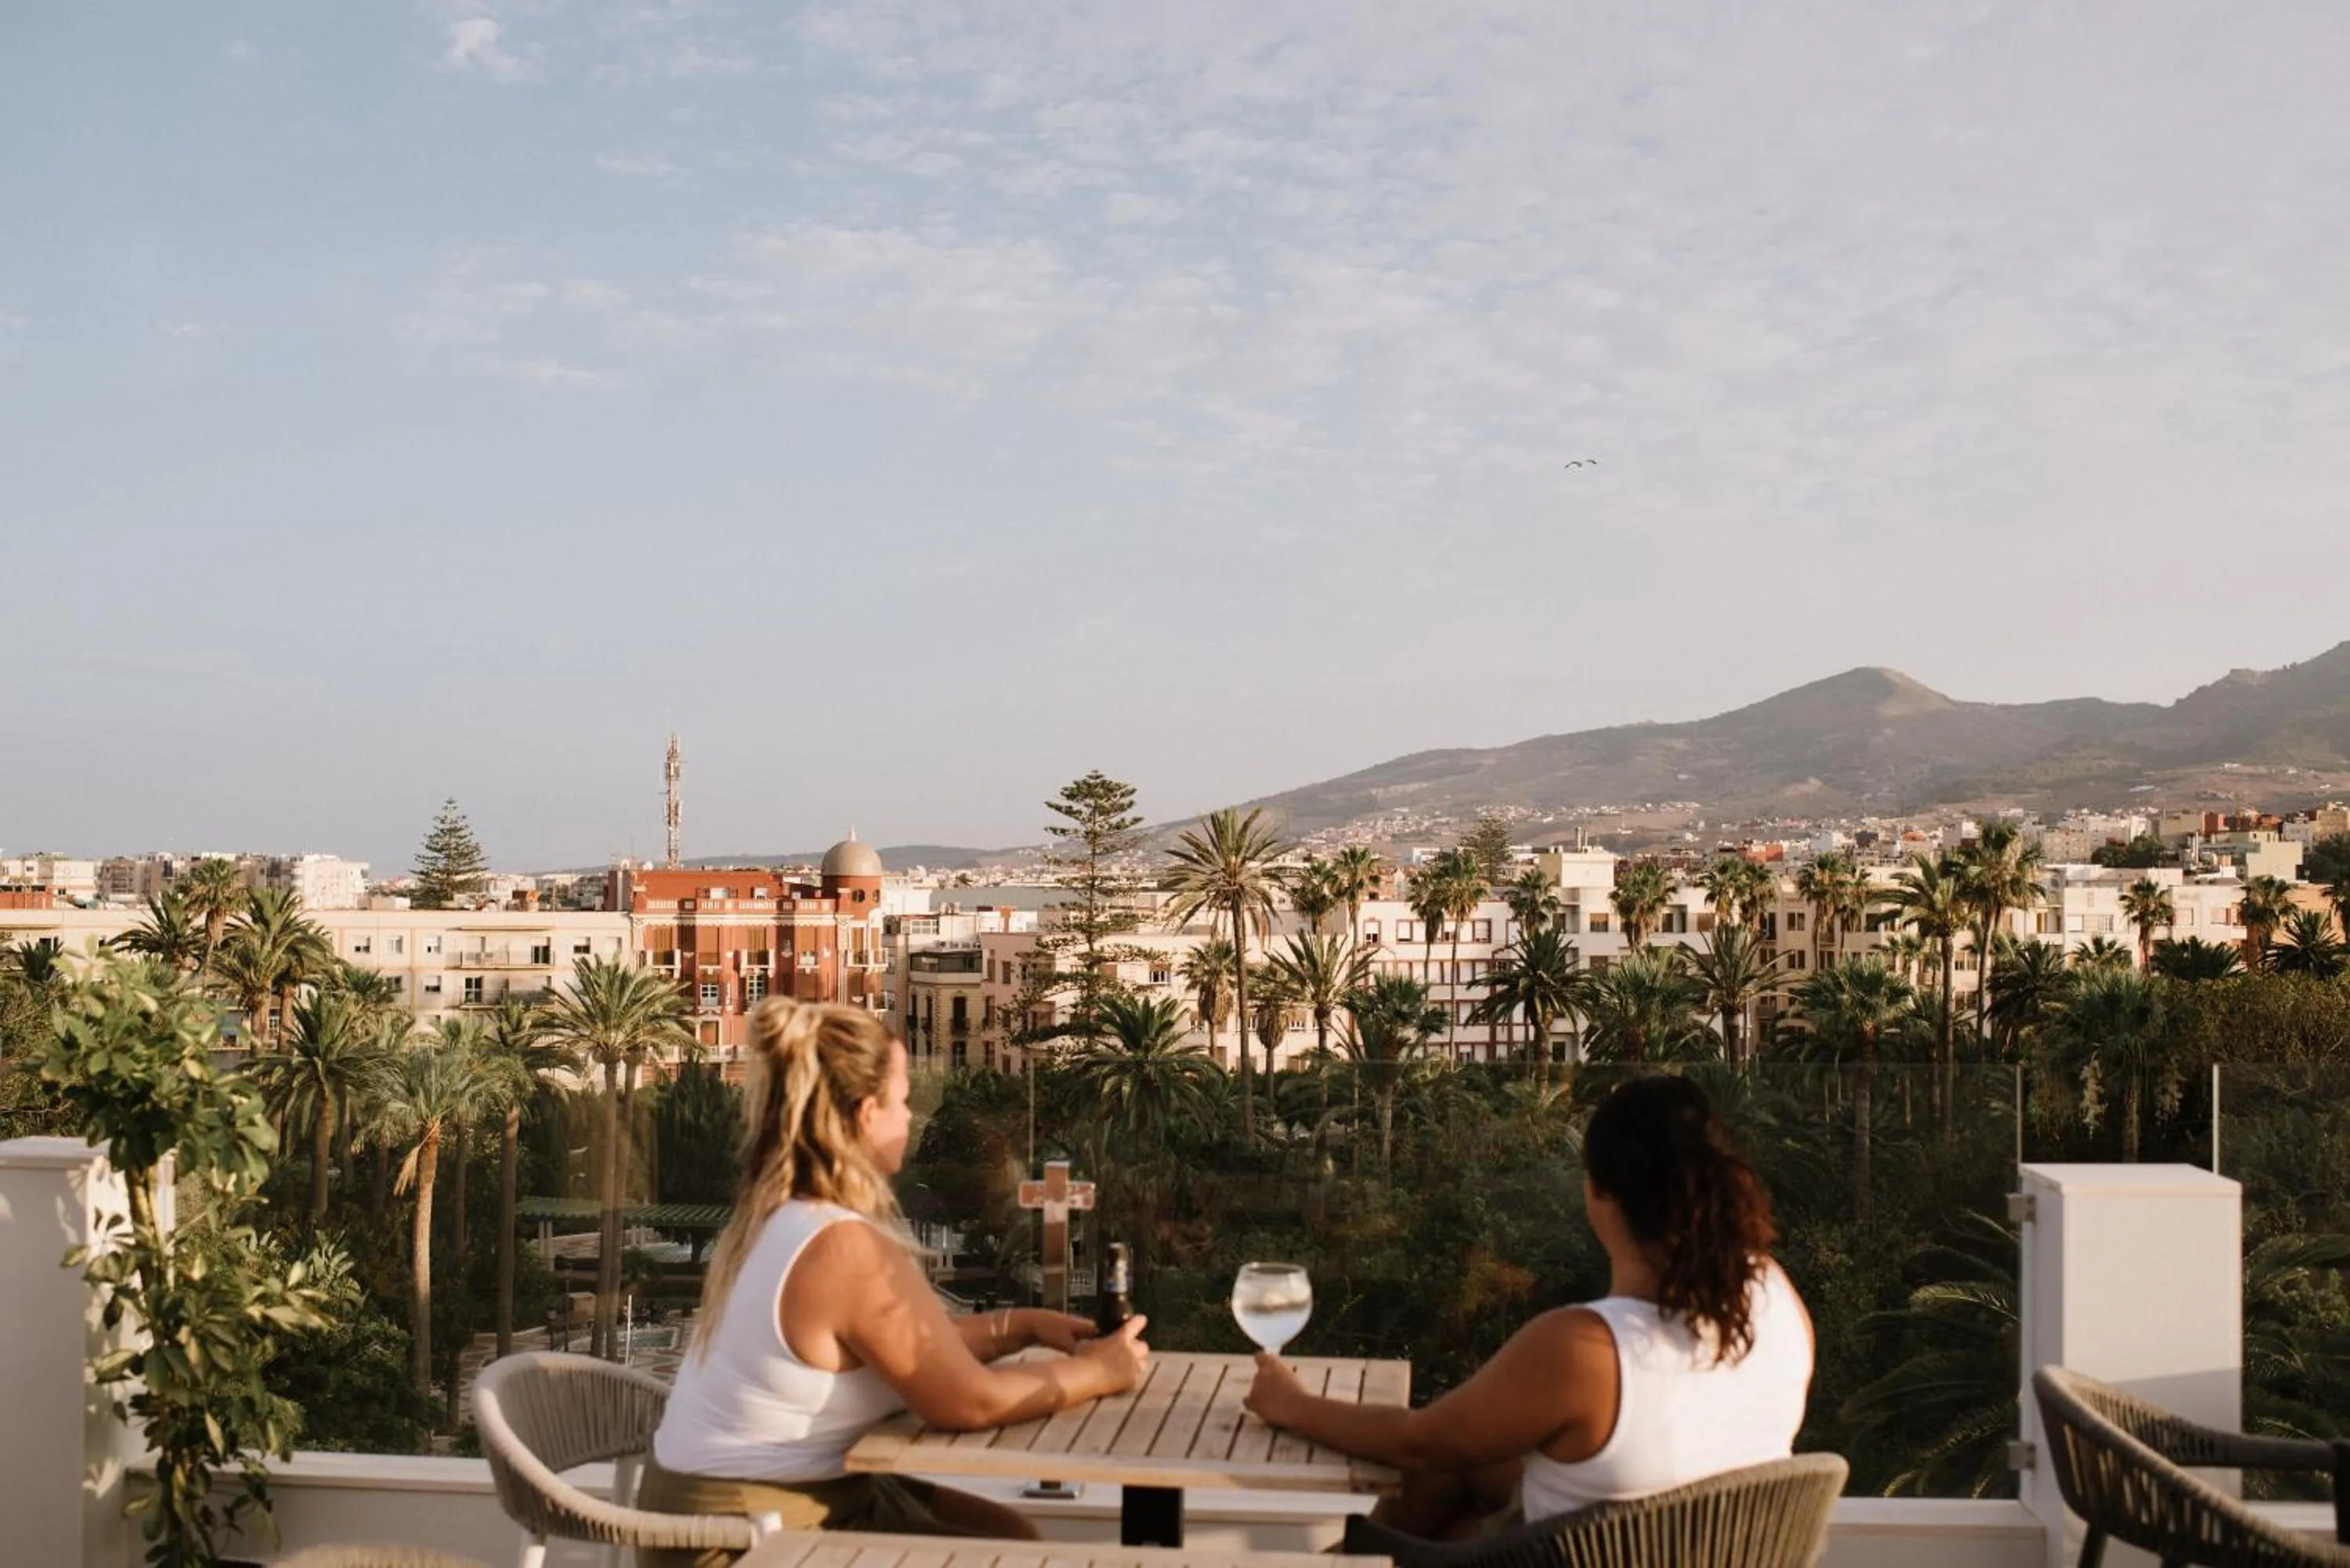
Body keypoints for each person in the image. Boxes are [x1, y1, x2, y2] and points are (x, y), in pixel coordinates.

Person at [641, 999, 1151, 1566]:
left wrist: (1022, 1325)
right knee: (1015, 1554)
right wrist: (1101, 1371)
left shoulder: (783, 1213)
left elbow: (909, 1352)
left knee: (1008, 1531)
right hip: (742, 1537)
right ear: (865, 1114)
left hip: (716, 1509)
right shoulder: (840, 1246)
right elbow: (968, 1402)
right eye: (903, 1101)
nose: (911, 1117)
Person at [1244, 1074, 1811, 1537]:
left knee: (1437, 1477)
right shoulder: (1776, 1297)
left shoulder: (1588, 1350)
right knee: (1463, 1471)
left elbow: (1418, 1441)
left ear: (1599, 1193)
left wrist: (1293, 1405)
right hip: (1701, 1549)